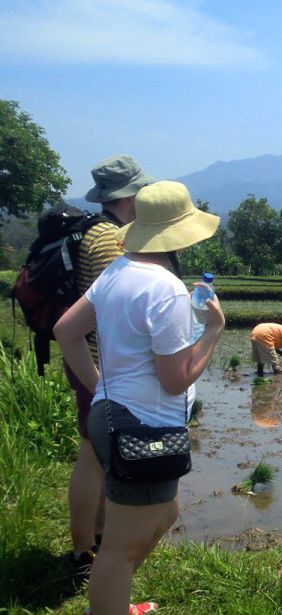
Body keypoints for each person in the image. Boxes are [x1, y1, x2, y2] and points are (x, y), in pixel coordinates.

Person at [54, 180, 222, 615]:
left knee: (163, 515)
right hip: (143, 428)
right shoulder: (165, 288)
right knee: (119, 550)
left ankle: (115, 597)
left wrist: (100, 391)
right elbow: (175, 380)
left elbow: (66, 332)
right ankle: (109, 604)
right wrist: (213, 331)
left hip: (114, 418)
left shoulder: (119, 271)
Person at [66, 155, 154, 578]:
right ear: (129, 195)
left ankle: (100, 540)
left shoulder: (100, 231)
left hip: (98, 360)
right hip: (99, 363)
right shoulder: (109, 240)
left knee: (101, 454)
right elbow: (113, 304)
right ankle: (84, 552)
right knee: (91, 455)